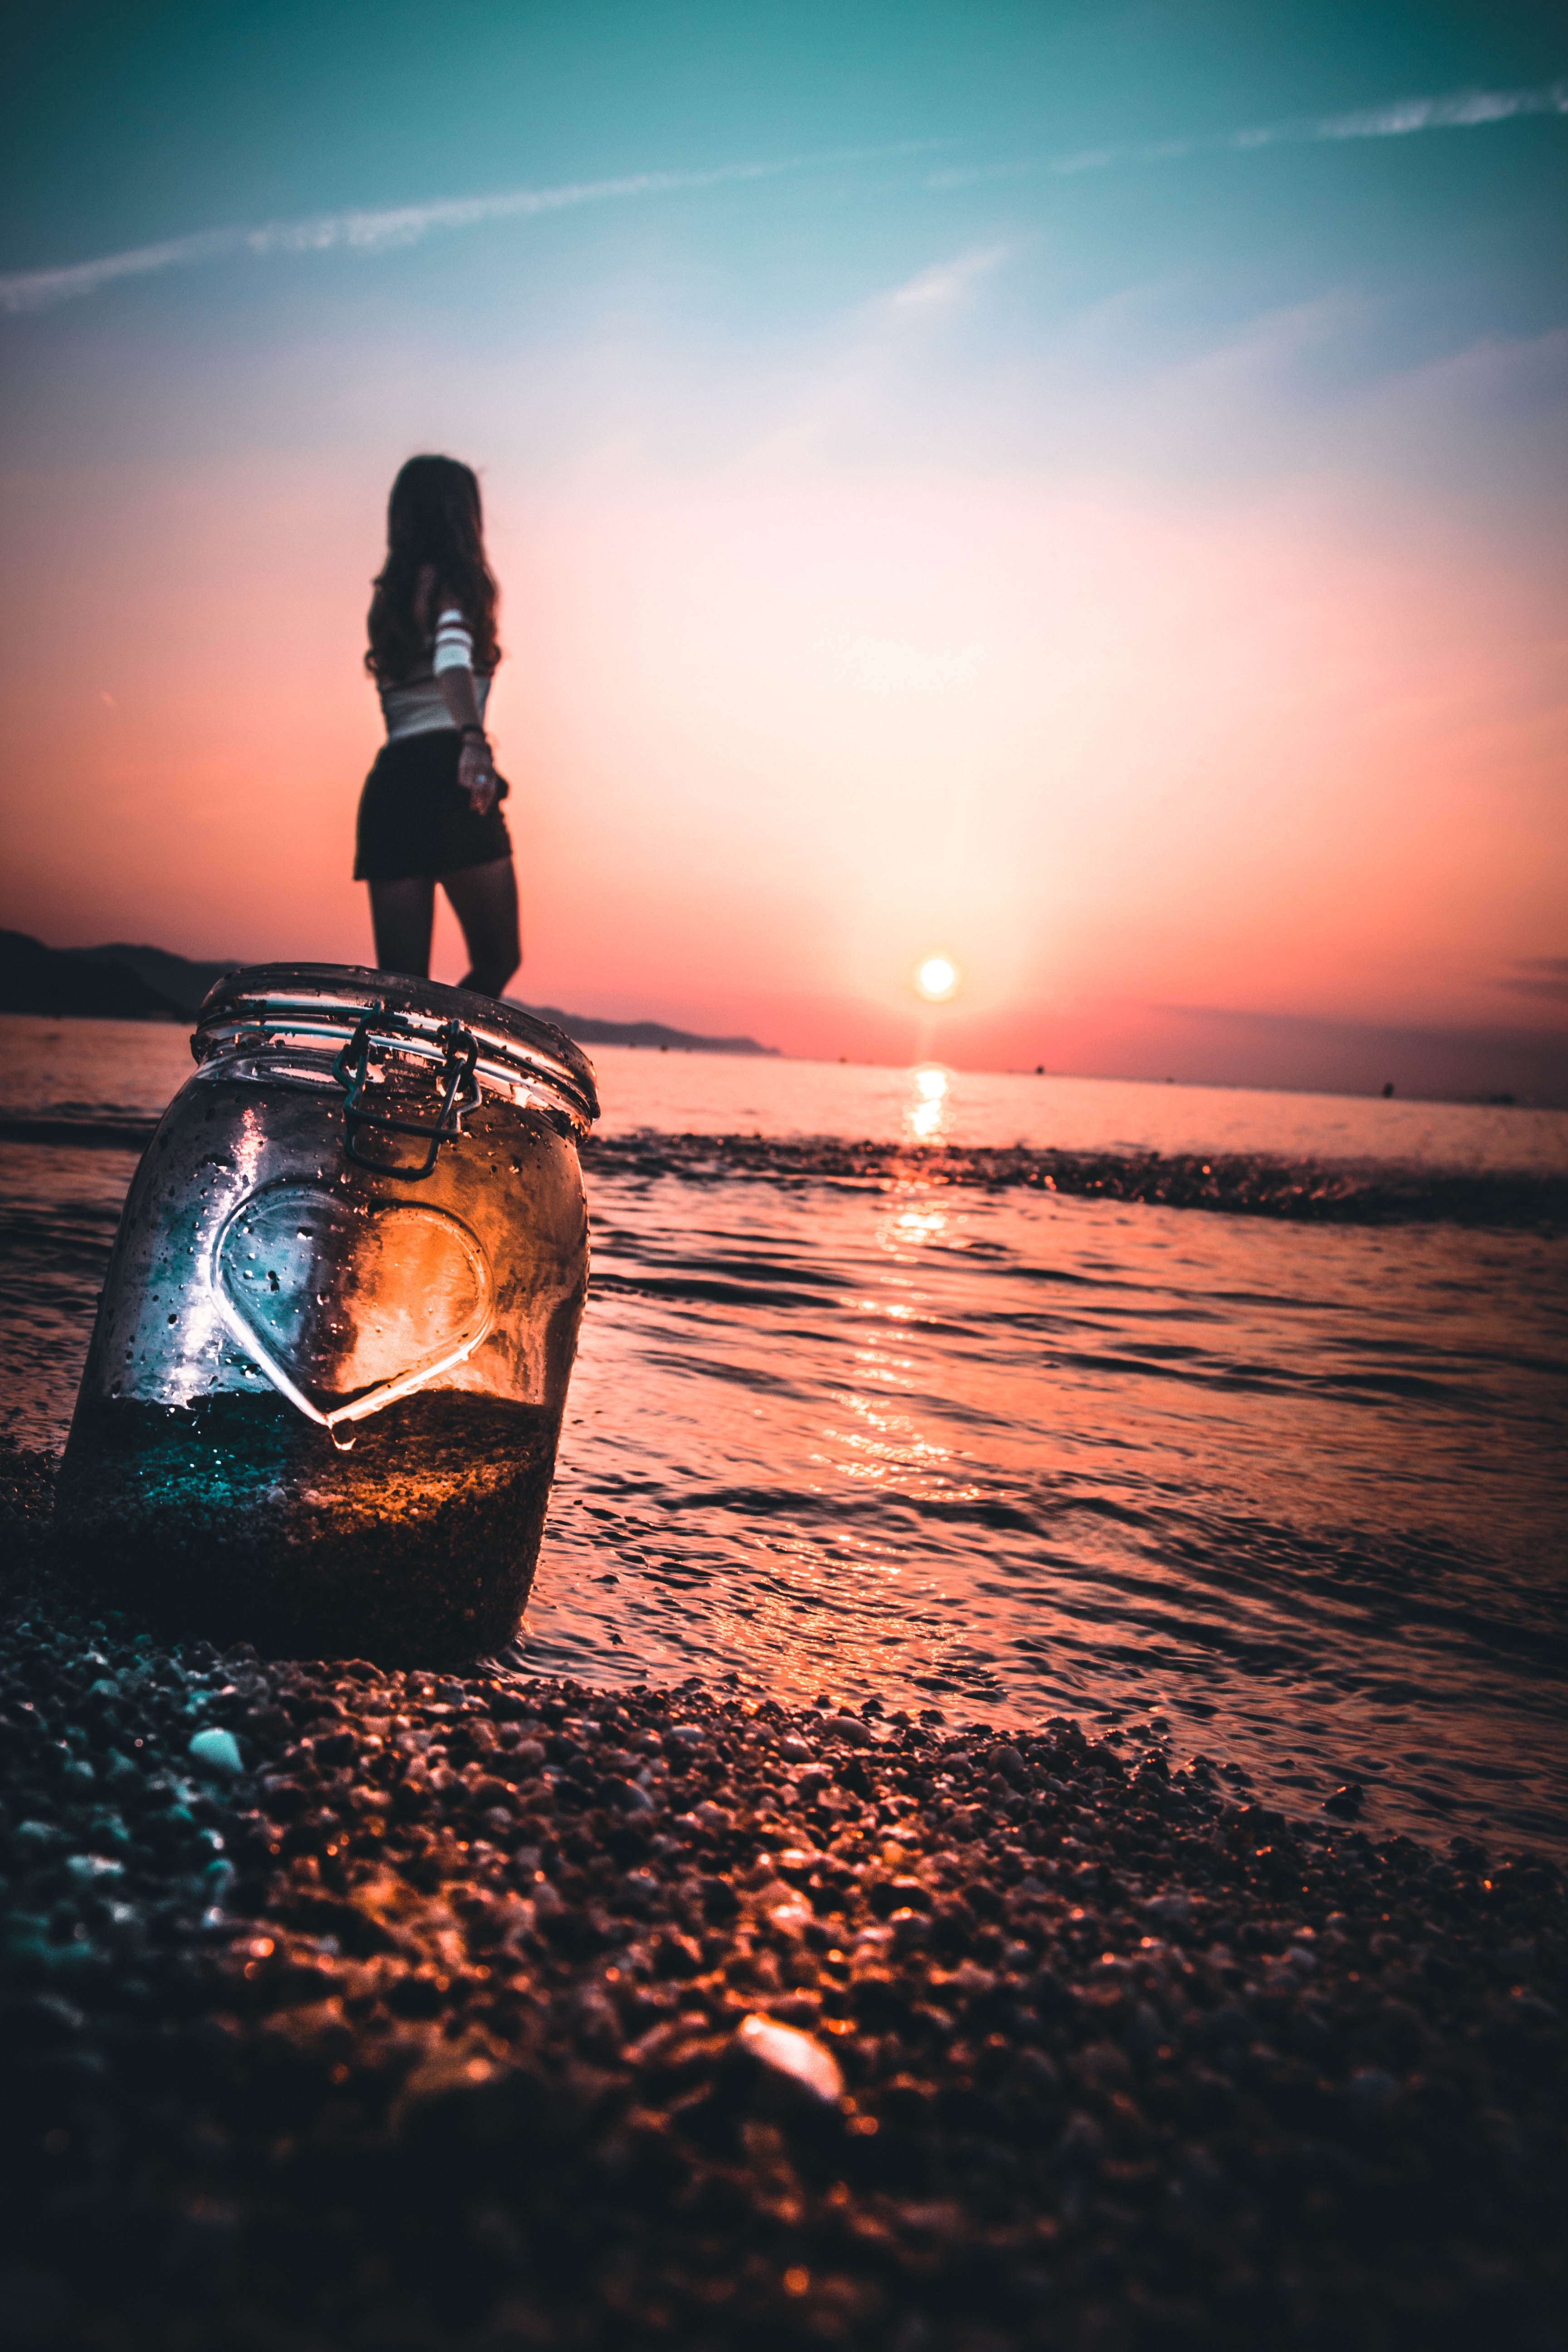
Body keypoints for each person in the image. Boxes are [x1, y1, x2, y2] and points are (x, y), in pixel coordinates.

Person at [356, 454, 520, 997]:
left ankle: (404, 1077)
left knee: (401, 991)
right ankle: (439, 1073)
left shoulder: (390, 599)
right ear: (461, 515)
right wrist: (473, 739)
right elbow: (453, 658)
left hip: (391, 784)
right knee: (497, 957)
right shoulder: (458, 582)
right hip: (447, 774)